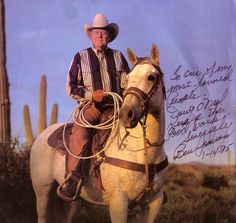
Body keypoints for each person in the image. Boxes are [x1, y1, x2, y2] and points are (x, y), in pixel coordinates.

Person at [57, 13, 130, 201]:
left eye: (103, 32)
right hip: (91, 107)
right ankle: (73, 177)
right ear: (91, 35)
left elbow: (127, 84)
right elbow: (71, 86)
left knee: (135, 127)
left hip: (114, 108)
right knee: (81, 131)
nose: (99, 36)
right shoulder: (80, 57)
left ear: (108, 36)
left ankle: (147, 178)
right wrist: (91, 95)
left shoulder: (119, 57)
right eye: (96, 32)